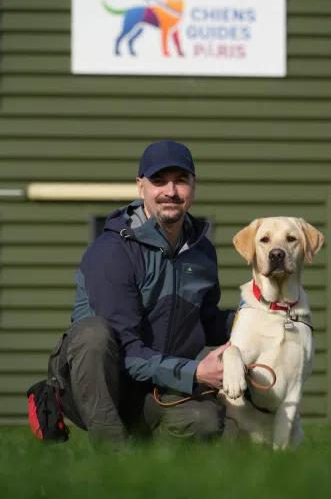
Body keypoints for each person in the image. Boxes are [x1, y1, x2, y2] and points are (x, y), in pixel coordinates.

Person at [46, 140, 236, 444]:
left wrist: (256, 318)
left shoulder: (202, 252)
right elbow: (126, 350)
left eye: (180, 181)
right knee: (93, 333)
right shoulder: (112, 251)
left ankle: (147, 449)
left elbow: (205, 320)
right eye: (159, 181)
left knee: (207, 422)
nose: (170, 192)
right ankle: (112, 454)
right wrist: (196, 371)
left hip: (156, 389)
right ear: (140, 187)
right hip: (99, 388)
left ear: (193, 186)